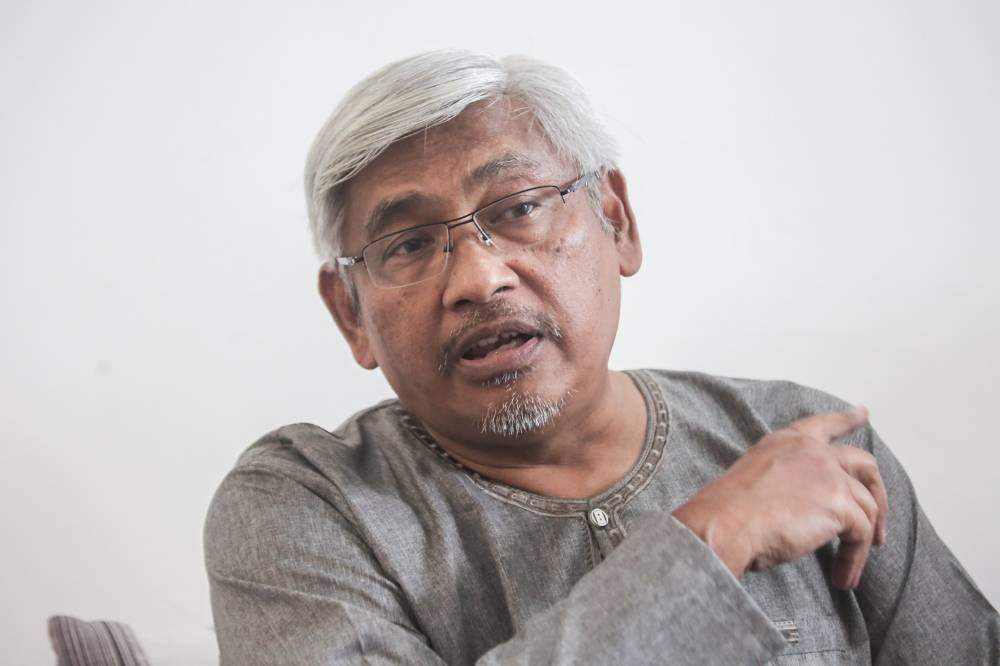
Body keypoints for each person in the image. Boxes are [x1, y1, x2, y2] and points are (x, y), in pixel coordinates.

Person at [204, 49, 998, 664]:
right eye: (408, 243)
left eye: (518, 208)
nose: (479, 278)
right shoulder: (307, 507)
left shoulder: (805, 443)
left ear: (616, 221)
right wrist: (711, 541)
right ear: (351, 314)